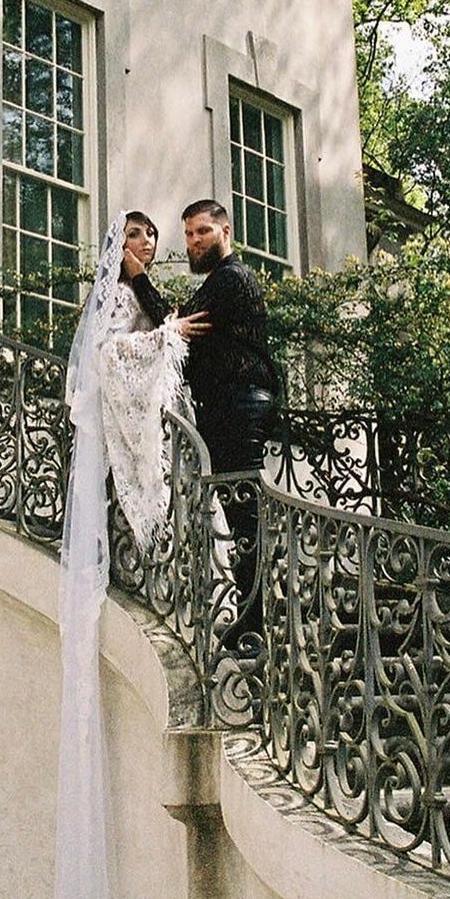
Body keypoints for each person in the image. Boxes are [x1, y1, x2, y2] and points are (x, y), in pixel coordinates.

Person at [51, 211, 203, 899]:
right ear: (123, 244)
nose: (147, 247)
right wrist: (163, 337)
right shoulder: (118, 297)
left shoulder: (144, 290)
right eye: (139, 238)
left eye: (151, 239)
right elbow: (108, 361)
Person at [177, 199, 280, 653]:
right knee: (240, 513)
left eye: (202, 232)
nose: (194, 242)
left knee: (243, 514)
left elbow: (180, 325)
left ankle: (256, 626)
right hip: (227, 407)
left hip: (240, 406)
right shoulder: (220, 282)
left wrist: (138, 279)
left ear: (225, 231)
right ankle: (251, 617)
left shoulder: (232, 279)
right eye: (189, 235)